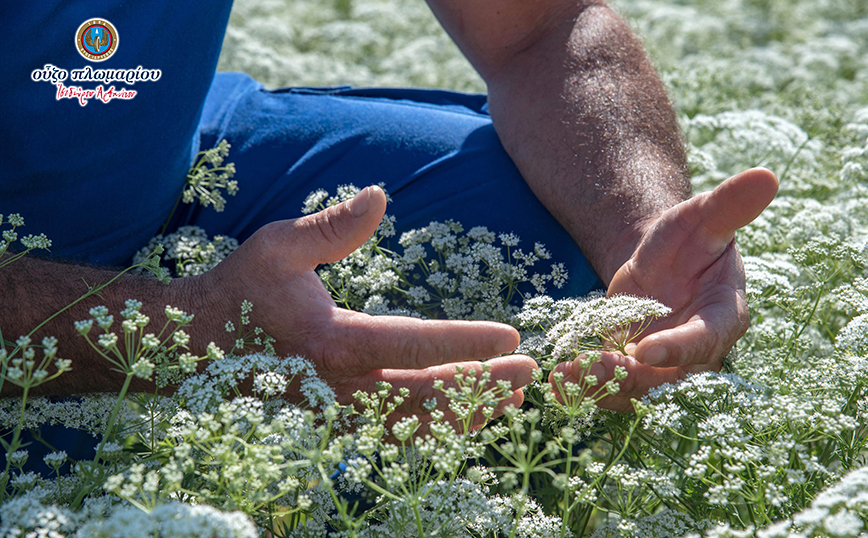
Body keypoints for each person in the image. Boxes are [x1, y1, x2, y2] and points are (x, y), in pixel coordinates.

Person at [0, 0, 778, 426]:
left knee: (555, 257)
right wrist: (188, 332)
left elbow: (540, 27)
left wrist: (638, 230)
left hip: (175, 152)